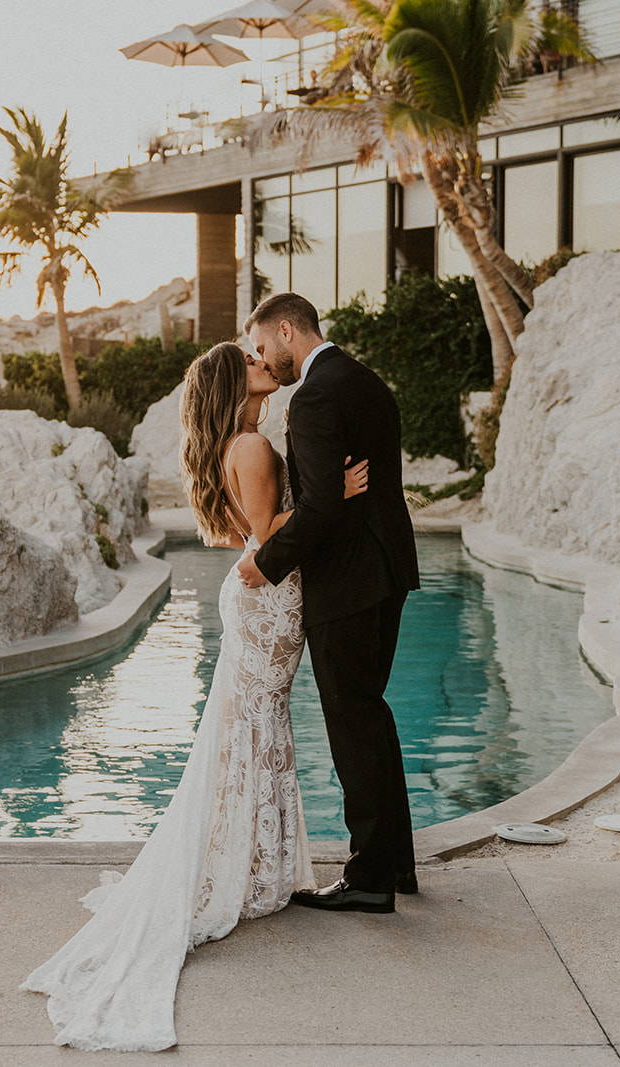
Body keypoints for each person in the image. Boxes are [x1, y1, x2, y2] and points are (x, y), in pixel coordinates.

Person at [20, 340, 369, 1052]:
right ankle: (246, 868)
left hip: (262, 598)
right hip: (268, 599)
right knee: (253, 729)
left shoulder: (241, 442)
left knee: (254, 728)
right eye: (248, 358)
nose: (262, 358)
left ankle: (252, 863)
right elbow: (271, 535)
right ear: (231, 382)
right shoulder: (249, 446)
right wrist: (340, 494)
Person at [236, 291, 421, 914]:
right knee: (371, 715)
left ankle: (370, 880)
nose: (265, 358)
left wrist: (264, 564)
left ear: (287, 330)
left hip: (346, 582)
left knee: (352, 723)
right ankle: (394, 865)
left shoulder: (314, 396)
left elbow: (317, 509)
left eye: (264, 346)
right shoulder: (367, 380)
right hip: (388, 572)